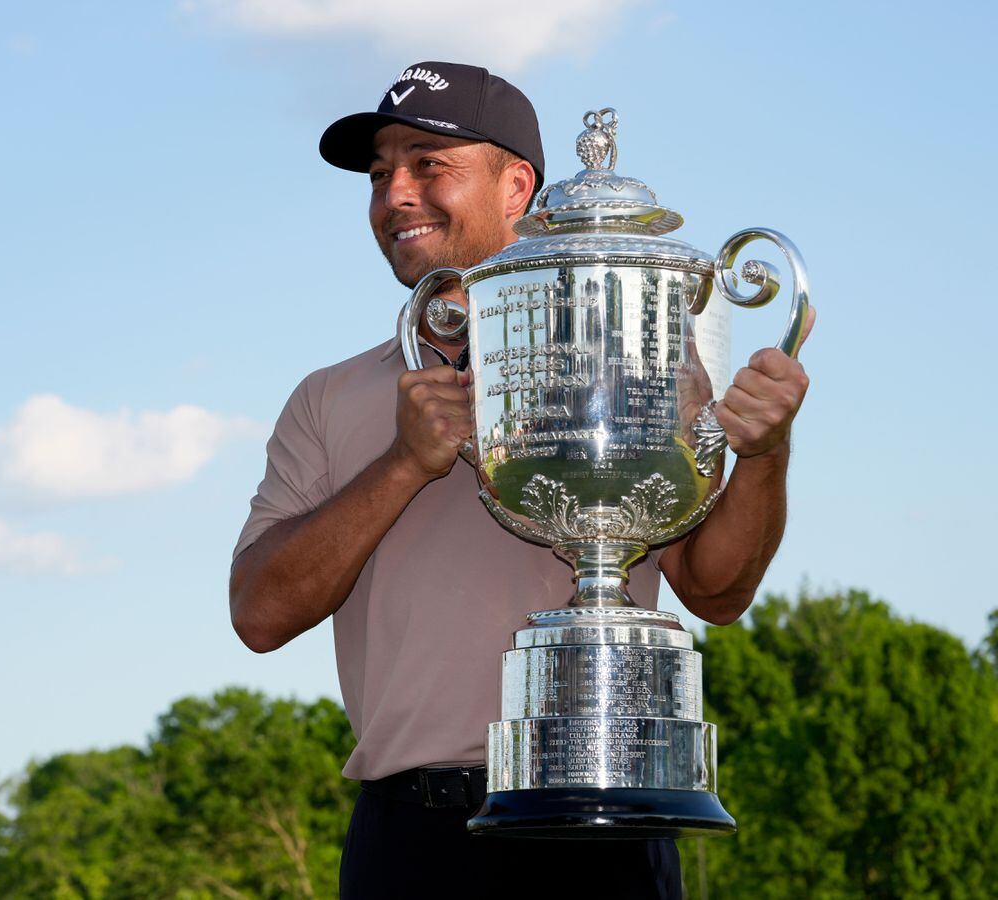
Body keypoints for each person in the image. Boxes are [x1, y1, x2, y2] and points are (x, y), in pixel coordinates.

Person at [229, 61, 813, 898]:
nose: (396, 193)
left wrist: (764, 451)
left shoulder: (640, 353)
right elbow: (258, 613)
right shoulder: (329, 398)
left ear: (518, 186)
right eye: (380, 172)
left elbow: (716, 592)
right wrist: (403, 464)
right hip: (414, 839)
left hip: (611, 814)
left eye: (429, 164)